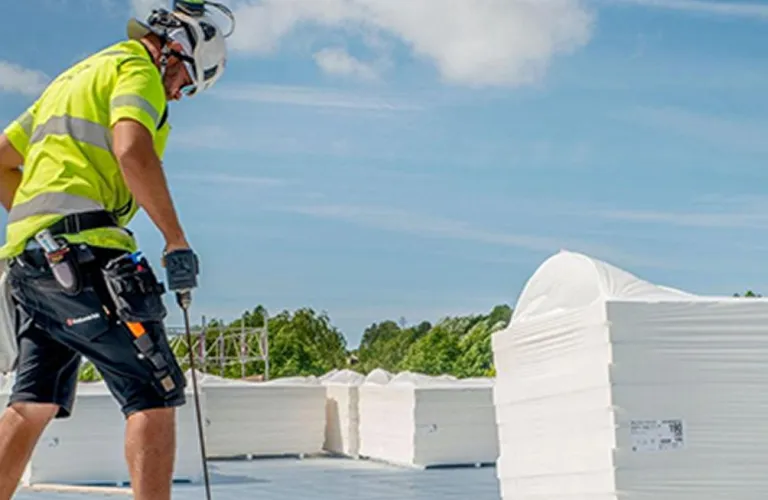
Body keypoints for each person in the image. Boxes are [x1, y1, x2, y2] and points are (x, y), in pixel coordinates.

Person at [0, 2, 231, 498]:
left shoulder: (71, 79)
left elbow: (1, 161)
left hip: (31, 267)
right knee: (154, 392)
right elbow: (132, 150)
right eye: (186, 83)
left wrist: (41, 227)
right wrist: (176, 240)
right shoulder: (137, 69)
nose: (178, 94)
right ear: (176, 51)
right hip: (86, 259)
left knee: (32, 402)